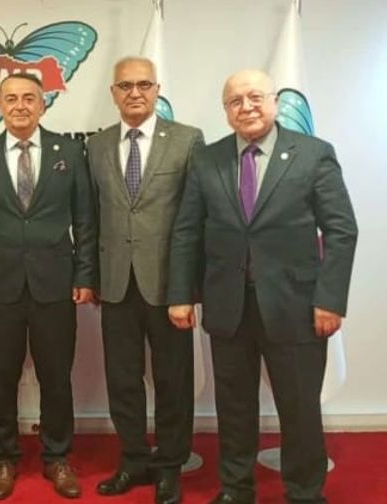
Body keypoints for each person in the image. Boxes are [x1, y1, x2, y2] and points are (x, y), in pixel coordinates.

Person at [167, 69, 357, 504]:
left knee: (299, 407)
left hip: (297, 306)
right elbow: (187, 231)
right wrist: (180, 294)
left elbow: (341, 230)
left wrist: (330, 300)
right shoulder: (207, 159)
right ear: (226, 110)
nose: (246, 107)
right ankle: (236, 488)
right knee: (234, 408)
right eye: (235, 101)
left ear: (274, 101)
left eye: (255, 97)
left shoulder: (313, 154)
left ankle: (305, 492)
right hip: (227, 304)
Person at [0, 73, 96, 500]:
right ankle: (4, 457)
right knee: (1, 377)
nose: (20, 105)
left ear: (43, 104)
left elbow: (85, 219)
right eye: (11, 98)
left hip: (55, 284)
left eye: (29, 98)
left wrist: (85, 274)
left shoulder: (69, 152)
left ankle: (57, 456)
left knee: (56, 376)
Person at [87, 56, 203, 504]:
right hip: (116, 283)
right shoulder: (97, 145)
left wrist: (187, 289)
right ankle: (134, 459)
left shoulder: (187, 140)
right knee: (123, 379)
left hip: (168, 287)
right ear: (113, 93)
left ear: (156, 89)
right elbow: (91, 216)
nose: (134, 93)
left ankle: (170, 465)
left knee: (173, 379)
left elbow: (196, 219)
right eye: (125, 86)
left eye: (143, 85)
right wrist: (91, 277)